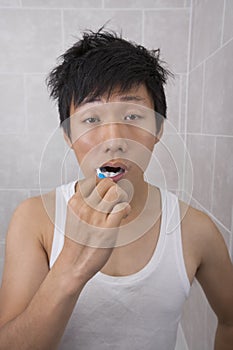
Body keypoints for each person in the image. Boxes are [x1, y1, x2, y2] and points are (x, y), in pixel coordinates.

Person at [0, 28, 232, 350]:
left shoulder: (196, 229)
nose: (113, 139)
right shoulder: (34, 221)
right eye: (92, 119)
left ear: (158, 129)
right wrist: (70, 267)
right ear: (68, 137)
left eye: (133, 115)